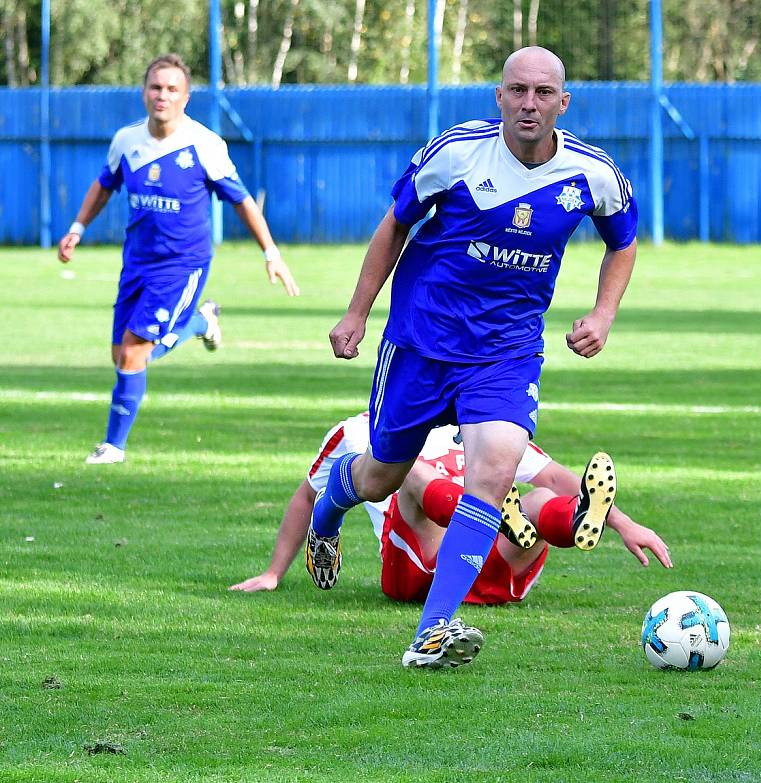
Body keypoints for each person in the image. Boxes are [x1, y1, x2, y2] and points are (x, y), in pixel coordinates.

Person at [305, 46, 639, 668]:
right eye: (518, 90)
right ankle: (328, 510)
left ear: (564, 103)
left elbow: (623, 242)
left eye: (543, 92)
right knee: (382, 474)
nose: (529, 103)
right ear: (499, 97)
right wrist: (357, 312)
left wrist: (603, 313)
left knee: (493, 474)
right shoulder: (456, 153)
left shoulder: (593, 174)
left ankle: (431, 632)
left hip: (506, 352)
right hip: (423, 341)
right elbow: (394, 226)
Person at [231, 414, 671, 662]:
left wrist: (621, 522)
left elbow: (560, 477)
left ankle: (569, 523)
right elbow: (308, 495)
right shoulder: (357, 430)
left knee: (539, 497)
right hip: (415, 562)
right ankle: (496, 517)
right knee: (412, 474)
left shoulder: (486, 431)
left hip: (484, 563)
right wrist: (274, 572)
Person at [57, 53, 300, 465]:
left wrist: (271, 253)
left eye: (172, 89)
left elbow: (241, 200)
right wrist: (77, 228)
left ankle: (113, 447)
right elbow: (103, 186)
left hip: (182, 263)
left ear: (186, 98)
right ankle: (202, 322)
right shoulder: (126, 141)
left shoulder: (204, 145)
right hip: (136, 262)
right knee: (122, 355)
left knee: (135, 351)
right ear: (143, 92)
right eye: (155, 87)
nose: (162, 96)